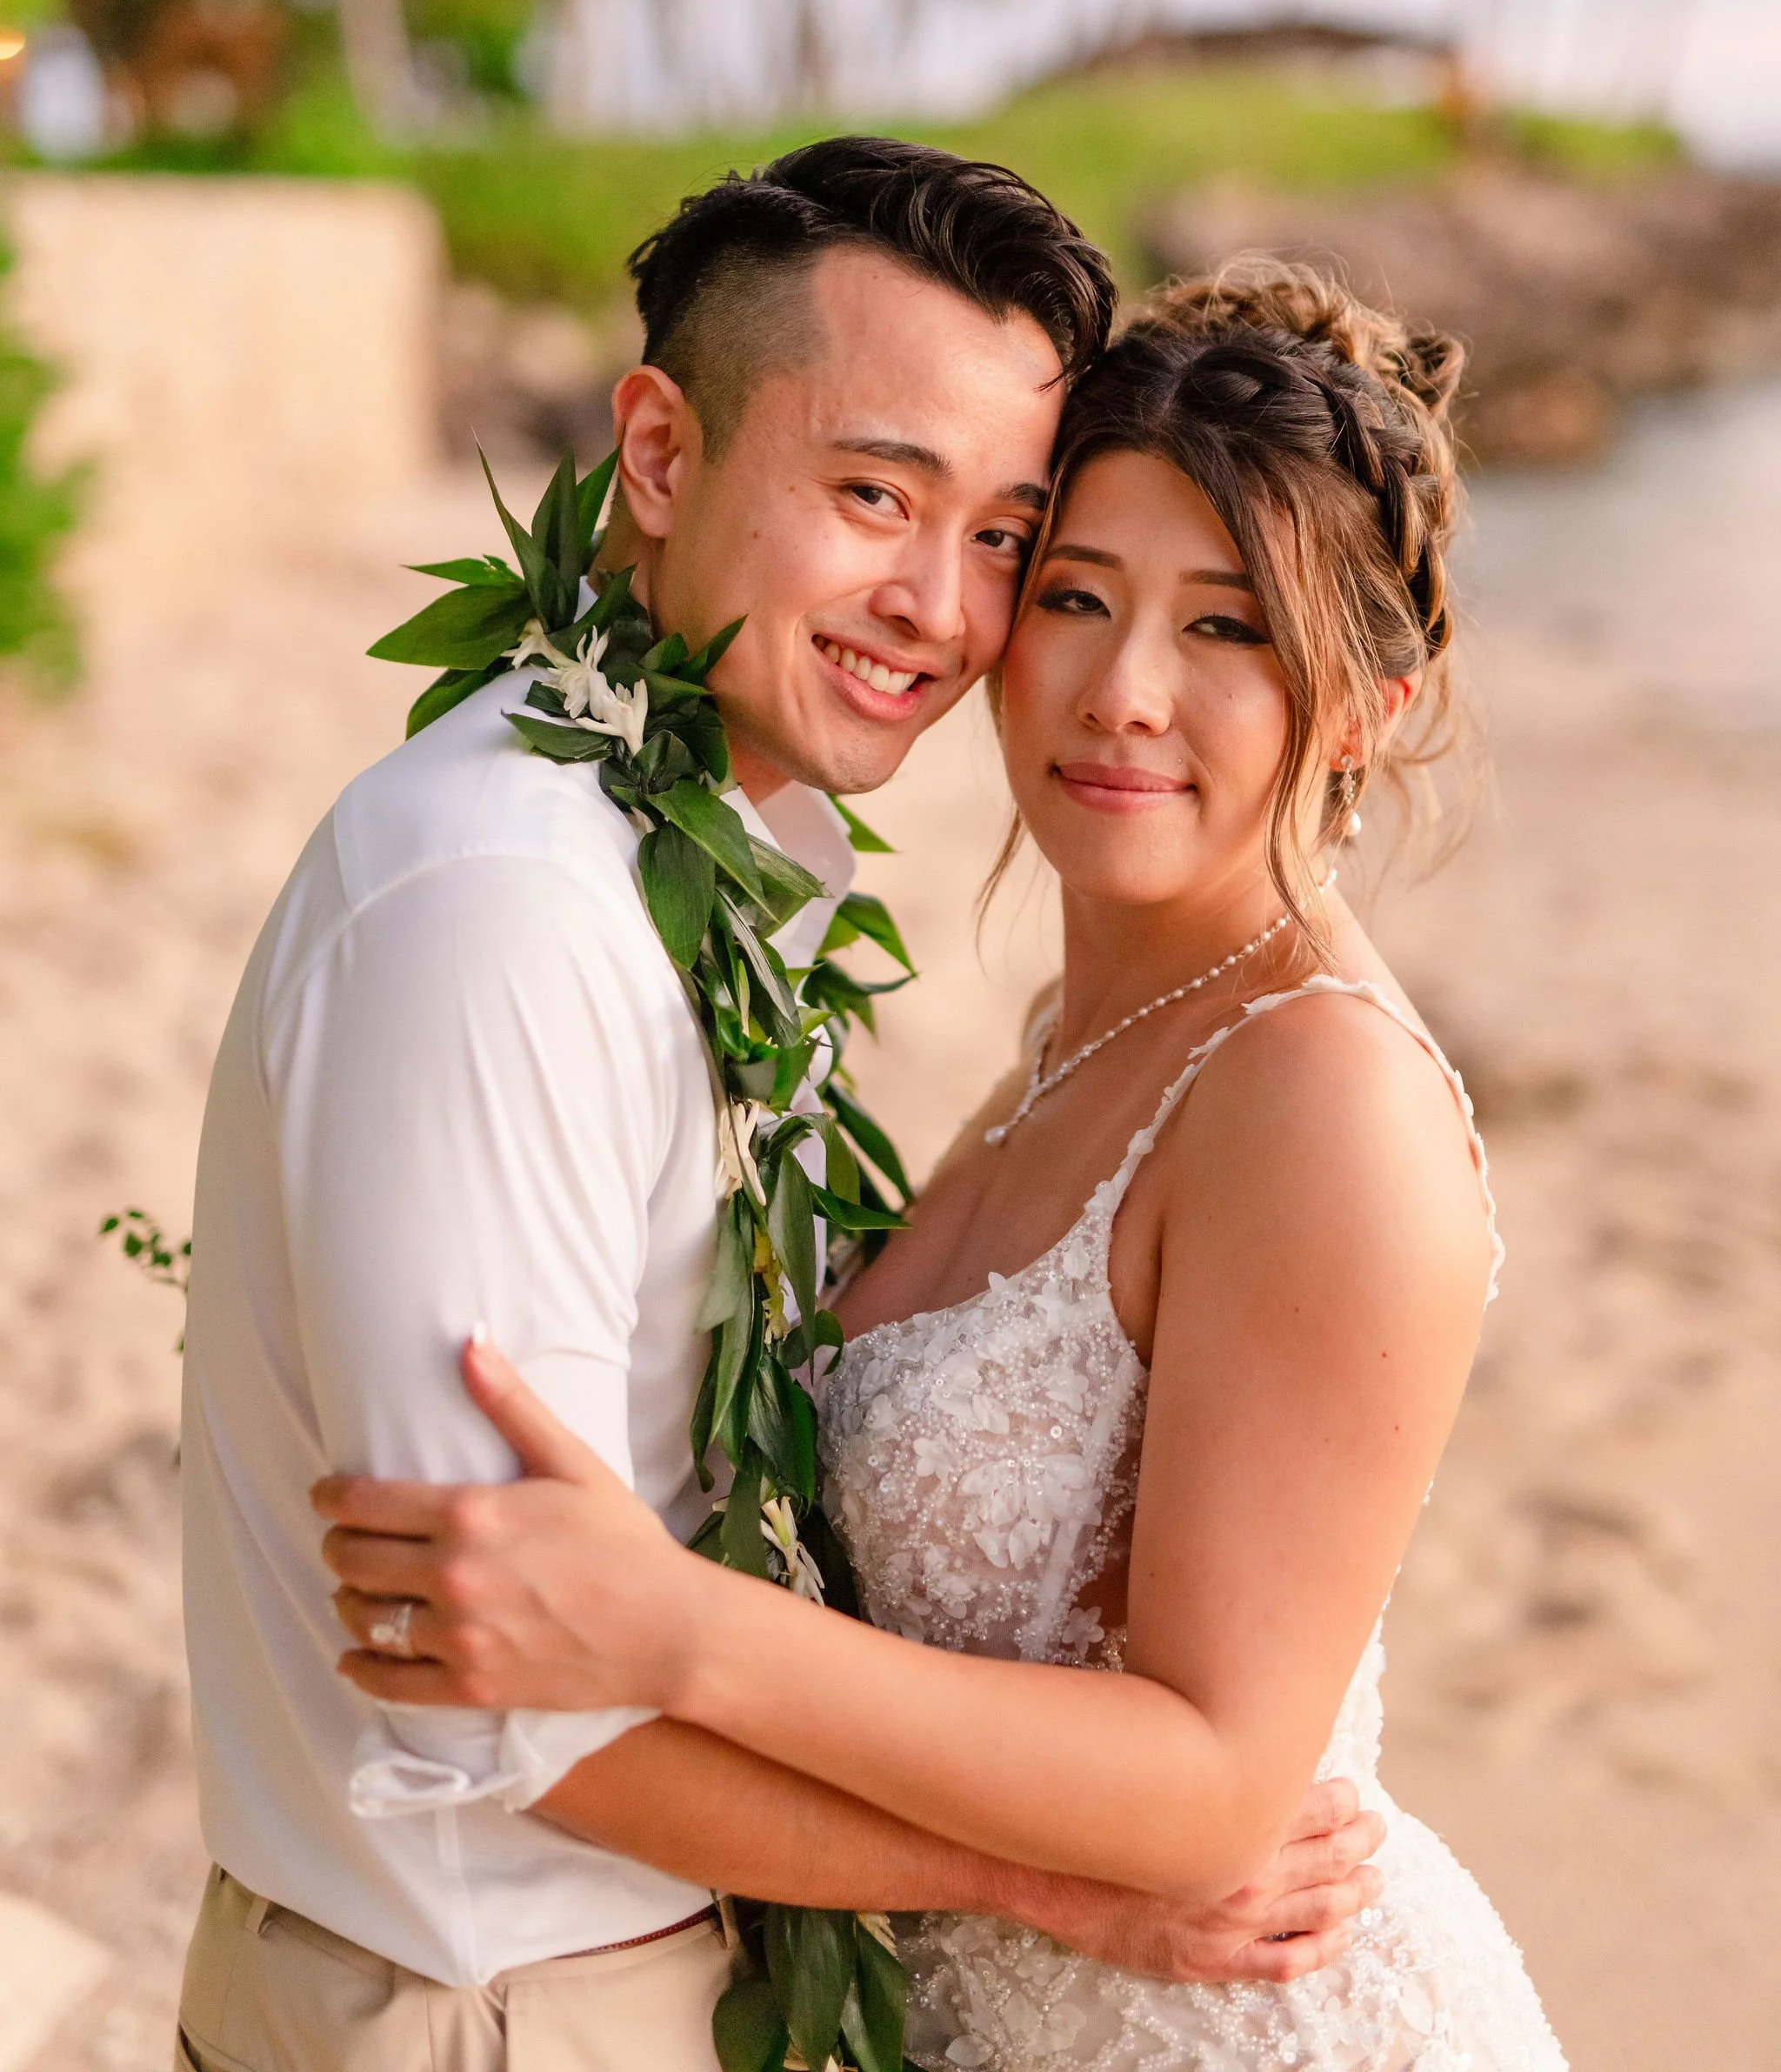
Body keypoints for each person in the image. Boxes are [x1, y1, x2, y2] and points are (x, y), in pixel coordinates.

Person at [176, 150, 1385, 2072]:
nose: (939, 606)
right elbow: (518, 1701)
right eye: (872, 495)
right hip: (491, 2008)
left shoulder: (735, 850)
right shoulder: (510, 909)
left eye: (1003, 534)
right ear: (656, 456)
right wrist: (1069, 1895)